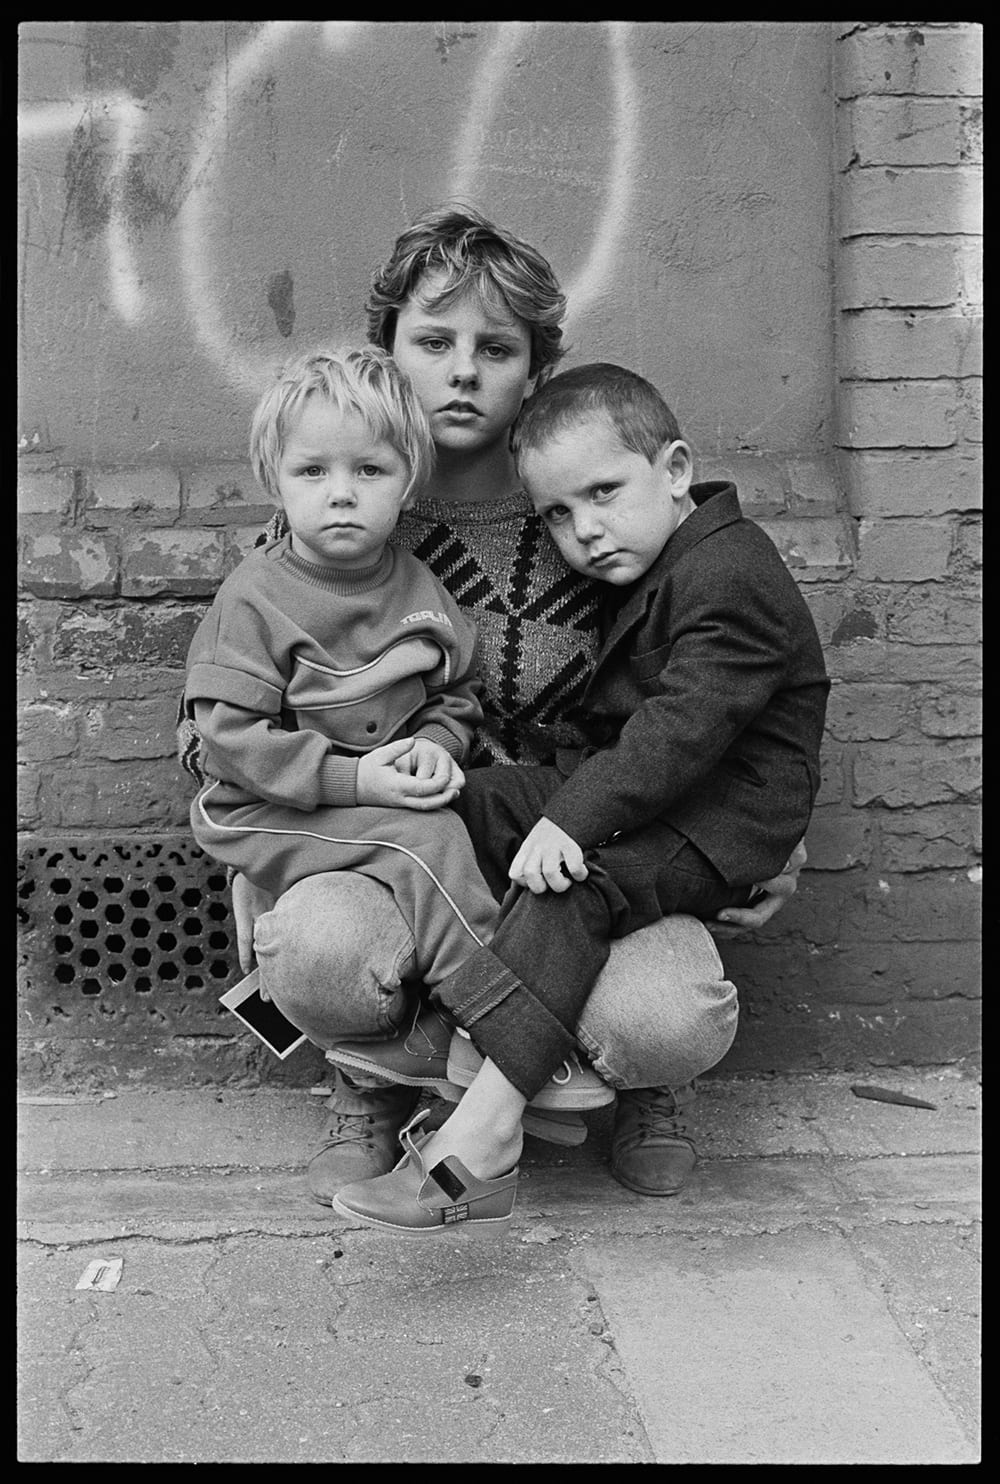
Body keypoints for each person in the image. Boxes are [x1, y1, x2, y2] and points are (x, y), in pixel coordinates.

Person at [176, 205, 804, 1209]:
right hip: (401, 840)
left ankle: (638, 1088)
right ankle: (371, 1087)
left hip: (586, 847)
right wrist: (265, 867)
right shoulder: (335, 511)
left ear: (534, 368)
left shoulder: (591, 502)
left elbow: (713, 691)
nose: (462, 371)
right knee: (315, 946)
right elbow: (222, 730)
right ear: (388, 351)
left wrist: (757, 833)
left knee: (670, 1015)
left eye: (495, 348)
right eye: (432, 341)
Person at [329, 361, 829, 1235]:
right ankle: (448, 1017)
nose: (585, 530)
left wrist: (566, 819)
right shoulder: (668, 557)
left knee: (572, 888)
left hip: (715, 822)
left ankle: (476, 1145)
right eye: (559, 513)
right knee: (474, 805)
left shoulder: (731, 572)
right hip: (657, 795)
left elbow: (678, 730)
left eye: (603, 493)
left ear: (674, 471)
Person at [183, 345, 501, 994]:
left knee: (442, 837)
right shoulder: (255, 597)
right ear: (274, 479)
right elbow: (228, 737)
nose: (342, 495)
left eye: (370, 470)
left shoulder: (421, 588)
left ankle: (420, 1032)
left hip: (374, 802)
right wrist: (354, 780)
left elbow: (457, 688)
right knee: (424, 844)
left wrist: (436, 746)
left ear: (409, 481)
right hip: (259, 811)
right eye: (312, 472)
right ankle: (498, 1022)